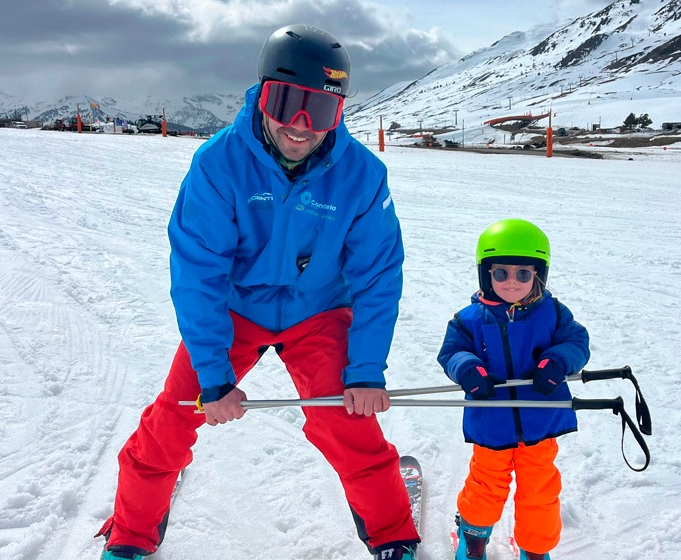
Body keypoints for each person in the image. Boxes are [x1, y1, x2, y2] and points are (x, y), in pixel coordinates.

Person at [96, 23, 420, 560]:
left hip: (317, 312)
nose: (300, 126)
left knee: (347, 423)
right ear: (262, 94)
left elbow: (378, 275)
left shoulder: (362, 176)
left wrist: (365, 370)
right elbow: (198, 273)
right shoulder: (218, 164)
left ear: (339, 112)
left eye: (319, 110)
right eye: (286, 103)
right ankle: (131, 535)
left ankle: (392, 535)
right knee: (172, 420)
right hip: (236, 310)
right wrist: (214, 376)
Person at [437, 219, 590, 560]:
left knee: (540, 491)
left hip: (541, 422)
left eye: (523, 274)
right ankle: (473, 541)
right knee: (486, 486)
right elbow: (452, 352)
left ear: (538, 275)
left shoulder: (553, 313)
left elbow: (577, 342)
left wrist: (557, 361)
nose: (511, 282)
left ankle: (535, 550)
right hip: (491, 421)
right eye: (501, 273)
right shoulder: (469, 319)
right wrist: (467, 369)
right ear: (486, 274)